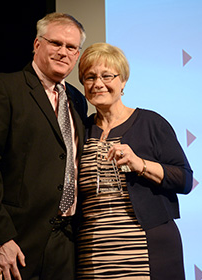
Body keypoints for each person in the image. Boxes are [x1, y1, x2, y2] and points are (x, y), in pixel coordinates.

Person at [0, 13, 87, 280]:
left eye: (71, 47)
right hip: (11, 243)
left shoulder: (76, 100)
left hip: (62, 246)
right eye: (56, 43)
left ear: (77, 54)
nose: (63, 52)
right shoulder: (4, 88)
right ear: (37, 44)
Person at [76, 43, 193, 280]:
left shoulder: (151, 123)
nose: (98, 83)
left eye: (107, 76)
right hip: (93, 253)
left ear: (123, 81)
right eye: (90, 77)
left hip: (147, 250)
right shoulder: (82, 130)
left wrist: (140, 164)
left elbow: (185, 180)